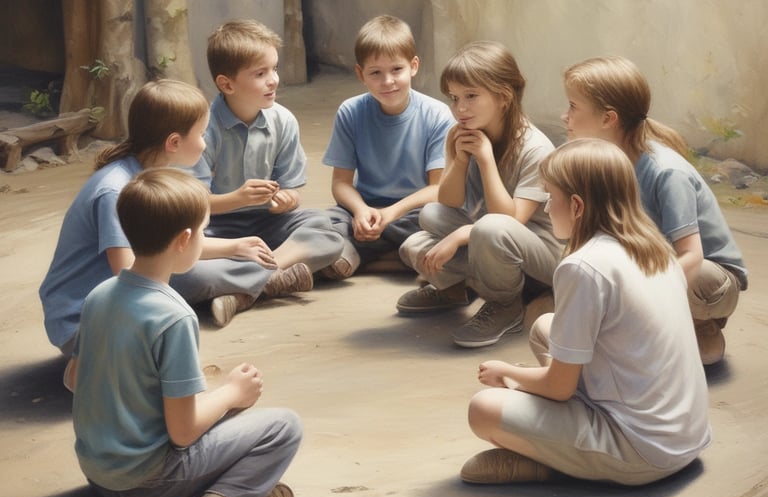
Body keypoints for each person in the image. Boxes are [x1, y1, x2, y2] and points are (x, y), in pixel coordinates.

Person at [461, 138, 711, 487]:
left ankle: (552, 464)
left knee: (484, 408)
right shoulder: (655, 248)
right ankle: (559, 444)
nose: (547, 208)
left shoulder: (583, 266)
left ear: (577, 205)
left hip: (642, 451)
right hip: (688, 435)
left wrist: (509, 374)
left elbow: (559, 388)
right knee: (544, 327)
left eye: (551, 197)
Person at [71, 168, 302, 497]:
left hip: (98, 474)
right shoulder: (174, 315)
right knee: (283, 426)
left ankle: (239, 496)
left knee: (222, 408)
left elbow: (73, 378)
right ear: (184, 240)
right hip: (146, 483)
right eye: (204, 231)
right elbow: (183, 432)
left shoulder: (99, 295)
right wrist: (231, 392)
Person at [39, 81, 305, 378]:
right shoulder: (115, 191)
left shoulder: (145, 174)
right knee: (185, 291)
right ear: (174, 143)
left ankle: (250, 283)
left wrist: (234, 247)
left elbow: (160, 248)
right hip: (81, 321)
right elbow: (127, 273)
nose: (205, 143)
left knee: (189, 275)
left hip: (114, 303)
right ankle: (259, 283)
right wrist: (173, 322)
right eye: (202, 134)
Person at [561, 55, 748, 364]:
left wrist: (642, 302)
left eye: (573, 106)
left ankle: (701, 326)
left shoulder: (666, 172)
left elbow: (691, 255)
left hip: (709, 283)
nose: (565, 116)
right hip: (653, 266)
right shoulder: (606, 163)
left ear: (608, 119)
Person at [397, 41, 560, 348]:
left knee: (487, 228)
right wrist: (459, 160)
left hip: (542, 252)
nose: (460, 108)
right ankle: (457, 289)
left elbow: (510, 221)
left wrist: (485, 161)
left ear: (503, 96)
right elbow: (448, 201)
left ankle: (506, 305)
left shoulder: (535, 148)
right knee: (419, 238)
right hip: (492, 239)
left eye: (471, 96)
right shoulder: (463, 133)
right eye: (455, 98)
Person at [192, 19, 343, 304]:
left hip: (267, 224)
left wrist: (287, 200)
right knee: (188, 268)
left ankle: (246, 288)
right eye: (260, 73)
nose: (273, 79)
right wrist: (237, 198)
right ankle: (269, 279)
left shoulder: (283, 120)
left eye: (274, 68)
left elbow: (290, 190)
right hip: (215, 229)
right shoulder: (203, 130)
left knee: (326, 229)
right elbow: (191, 204)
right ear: (227, 84)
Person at [321, 14, 454, 279]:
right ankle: (394, 257)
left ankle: (355, 257)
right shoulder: (351, 111)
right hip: (366, 208)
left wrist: (391, 214)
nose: (388, 81)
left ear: (413, 66)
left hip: (413, 212)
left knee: (439, 221)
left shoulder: (437, 115)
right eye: (375, 73)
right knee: (321, 222)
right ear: (361, 74)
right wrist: (361, 211)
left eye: (397, 69)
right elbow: (341, 183)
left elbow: (438, 188)